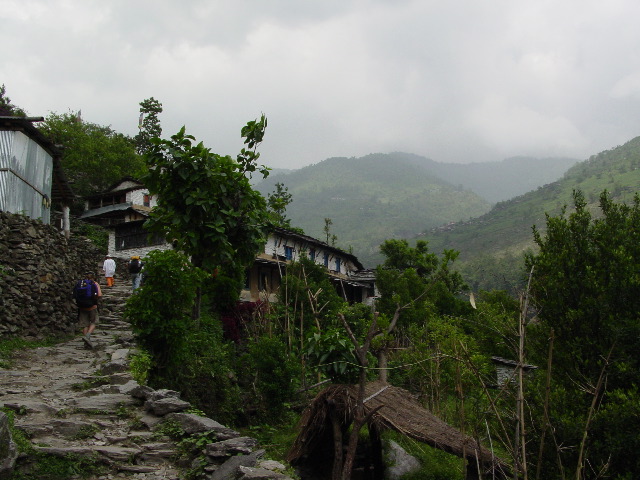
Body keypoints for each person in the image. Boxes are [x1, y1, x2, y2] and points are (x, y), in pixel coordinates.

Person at [73, 272, 102, 349]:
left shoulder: (80, 283)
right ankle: (88, 336)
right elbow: (99, 295)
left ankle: (86, 343)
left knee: (85, 324)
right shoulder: (94, 283)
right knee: (94, 321)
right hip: (92, 306)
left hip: (82, 306)